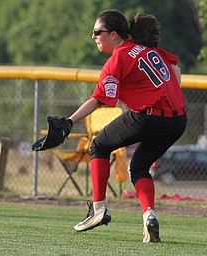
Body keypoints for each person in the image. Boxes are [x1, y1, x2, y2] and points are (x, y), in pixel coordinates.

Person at [54, 10, 187, 243]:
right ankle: (149, 215)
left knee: (99, 145)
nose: (93, 36)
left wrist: (69, 121)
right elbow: (175, 70)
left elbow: (99, 100)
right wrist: (171, 97)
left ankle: (98, 209)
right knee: (139, 167)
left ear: (114, 35)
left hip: (150, 115)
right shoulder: (148, 49)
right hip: (178, 119)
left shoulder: (119, 57)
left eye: (97, 32)